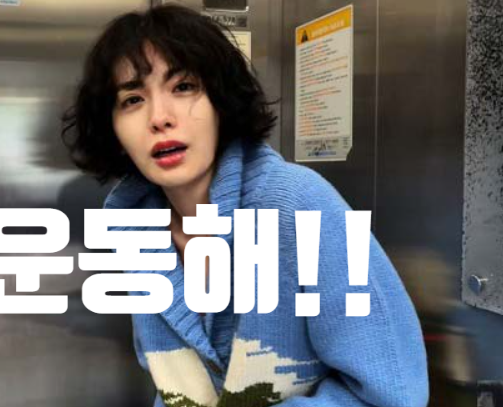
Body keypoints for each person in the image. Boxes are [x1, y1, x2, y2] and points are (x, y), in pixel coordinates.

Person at [61, 4, 429, 407]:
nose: (159, 118)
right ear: (113, 129)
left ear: (220, 102)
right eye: (132, 99)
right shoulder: (137, 231)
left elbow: (394, 396)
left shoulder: (300, 205)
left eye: (183, 87)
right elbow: (175, 386)